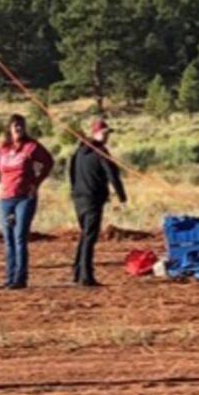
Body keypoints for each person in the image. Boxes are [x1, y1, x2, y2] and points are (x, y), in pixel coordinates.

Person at [0, 115, 53, 290]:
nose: (18, 129)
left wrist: (36, 183)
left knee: (19, 237)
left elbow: (48, 162)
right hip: (6, 198)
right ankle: (9, 277)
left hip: (25, 197)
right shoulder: (3, 148)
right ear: (9, 128)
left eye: (21, 126)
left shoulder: (31, 147)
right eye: (15, 126)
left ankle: (20, 278)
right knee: (8, 238)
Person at [65, 119, 126, 288]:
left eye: (108, 134)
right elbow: (112, 175)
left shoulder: (78, 152)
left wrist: (75, 192)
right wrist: (122, 197)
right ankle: (86, 276)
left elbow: (71, 174)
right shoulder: (101, 152)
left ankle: (78, 272)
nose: (107, 137)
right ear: (96, 134)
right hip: (92, 199)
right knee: (90, 237)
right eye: (105, 133)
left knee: (85, 235)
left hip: (79, 199)